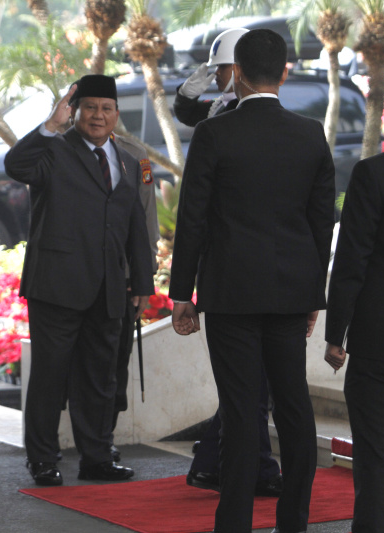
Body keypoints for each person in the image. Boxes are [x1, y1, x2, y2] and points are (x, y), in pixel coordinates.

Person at [169, 29, 335, 533]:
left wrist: (181, 293)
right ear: (284, 72)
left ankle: (235, 523)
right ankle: (294, 522)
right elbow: (320, 223)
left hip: (230, 295)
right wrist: (312, 296)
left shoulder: (215, 135)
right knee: (293, 407)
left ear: (236, 73)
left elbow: (193, 218)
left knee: (242, 413)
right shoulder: (309, 134)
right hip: (289, 294)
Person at [5, 74, 153, 487]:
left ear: (116, 115)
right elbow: (14, 166)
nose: (98, 116)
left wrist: (141, 280)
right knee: (50, 377)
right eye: (90, 107)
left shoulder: (126, 158)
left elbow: (134, 225)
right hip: (56, 286)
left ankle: (96, 457)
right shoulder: (53, 150)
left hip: (109, 287)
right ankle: (44, 460)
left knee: (100, 378)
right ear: (75, 112)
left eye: (107, 109)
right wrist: (49, 126)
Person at [174, 27, 284, 498]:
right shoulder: (220, 113)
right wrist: (197, 81)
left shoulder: (242, 119)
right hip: (246, 273)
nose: (219, 77)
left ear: (238, 70)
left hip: (247, 268)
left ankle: (213, 462)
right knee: (252, 388)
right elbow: (185, 111)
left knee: (250, 387)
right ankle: (252, 468)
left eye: (223, 69)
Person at [324, 69, 384, 533]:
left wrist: (335, 333)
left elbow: (352, 261)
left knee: (376, 458)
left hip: (378, 341)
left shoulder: (372, 174)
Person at [107, 132, 159, 463]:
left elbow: (146, 214)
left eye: (106, 108)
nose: (98, 115)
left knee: (115, 362)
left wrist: (144, 274)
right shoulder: (61, 148)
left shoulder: (132, 152)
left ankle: (104, 436)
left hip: (122, 275)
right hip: (78, 277)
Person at [174, 28, 248, 127]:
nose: (217, 72)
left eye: (222, 66)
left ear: (239, 68)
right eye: (217, 66)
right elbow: (188, 115)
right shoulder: (220, 105)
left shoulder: (249, 110)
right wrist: (185, 97)